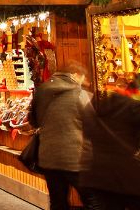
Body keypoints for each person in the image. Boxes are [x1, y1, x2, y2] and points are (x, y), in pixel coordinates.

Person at [79, 76, 140, 210]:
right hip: (126, 175)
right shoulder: (133, 107)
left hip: (95, 174)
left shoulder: (96, 103)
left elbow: (86, 130)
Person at [28, 61, 89, 210]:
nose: (84, 82)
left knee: (57, 201)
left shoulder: (42, 91)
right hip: (75, 156)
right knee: (92, 199)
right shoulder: (80, 94)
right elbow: (92, 123)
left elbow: (33, 120)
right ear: (75, 75)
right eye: (82, 78)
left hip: (49, 156)